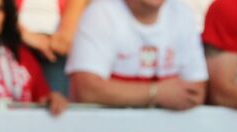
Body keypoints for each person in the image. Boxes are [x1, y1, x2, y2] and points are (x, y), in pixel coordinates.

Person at [66, 0, 210, 109]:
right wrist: (157, 93)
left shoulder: (181, 12)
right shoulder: (101, 11)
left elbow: (195, 92)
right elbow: (86, 90)